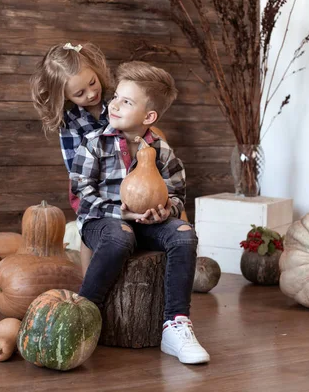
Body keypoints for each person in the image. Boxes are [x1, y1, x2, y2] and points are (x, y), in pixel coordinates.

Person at [70, 61, 210, 364]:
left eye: (127, 101)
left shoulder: (161, 149)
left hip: (147, 223)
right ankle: (84, 313)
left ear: (149, 116)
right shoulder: (94, 144)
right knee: (120, 238)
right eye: (116, 96)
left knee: (185, 235)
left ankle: (175, 324)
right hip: (102, 221)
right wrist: (123, 215)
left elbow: (176, 193)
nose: (114, 105)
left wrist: (164, 211)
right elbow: (83, 194)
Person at [30, 41, 112, 273]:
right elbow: (76, 165)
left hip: (124, 175)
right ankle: (88, 282)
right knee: (90, 224)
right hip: (88, 180)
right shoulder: (70, 120)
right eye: (80, 93)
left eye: (92, 83)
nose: (92, 93)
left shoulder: (115, 101)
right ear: (65, 96)